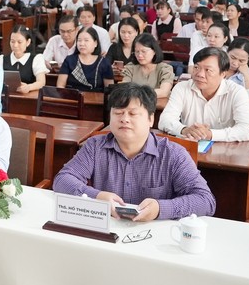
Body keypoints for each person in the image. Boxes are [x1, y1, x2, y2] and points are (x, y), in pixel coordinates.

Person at [53, 83, 216, 221]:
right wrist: (96, 197)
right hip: (108, 230)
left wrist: (160, 208)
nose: (124, 119)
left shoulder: (173, 154)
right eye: (118, 113)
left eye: (133, 113)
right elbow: (62, 180)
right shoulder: (95, 146)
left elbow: (205, 200)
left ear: (150, 119)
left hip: (154, 235)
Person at [158, 47, 249, 142]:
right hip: (189, 147)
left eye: (208, 70)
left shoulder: (237, 92)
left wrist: (209, 134)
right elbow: (165, 120)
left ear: (223, 74)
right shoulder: (182, 88)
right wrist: (184, 130)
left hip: (224, 150)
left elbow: (248, 130)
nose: (200, 74)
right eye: (196, 67)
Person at [57, 26, 114, 93]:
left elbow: (110, 89)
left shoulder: (104, 63)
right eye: (79, 40)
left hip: (96, 99)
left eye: (86, 40)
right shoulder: (69, 60)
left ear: (95, 43)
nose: (82, 44)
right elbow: (60, 86)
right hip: (72, 98)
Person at [0, 25, 48, 93]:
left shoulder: (36, 59)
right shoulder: (1, 59)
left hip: (29, 96)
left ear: (28, 42)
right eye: (12, 41)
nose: (15, 45)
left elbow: (41, 82)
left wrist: (29, 87)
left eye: (19, 42)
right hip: (6, 96)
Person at [121, 33, 174, 98]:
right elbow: (124, 89)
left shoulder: (165, 69)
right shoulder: (130, 68)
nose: (139, 55)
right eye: (137, 51)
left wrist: (137, 94)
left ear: (154, 51)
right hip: (135, 103)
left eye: (143, 51)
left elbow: (164, 92)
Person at [224, 37, 249, 103]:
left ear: (248, 59)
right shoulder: (217, 68)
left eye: (241, 61)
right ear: (227, 52)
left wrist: (246, 75)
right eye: (232, 57)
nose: (235, 63)